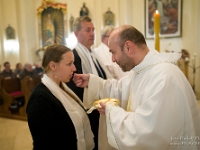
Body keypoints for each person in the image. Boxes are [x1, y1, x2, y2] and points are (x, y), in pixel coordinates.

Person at [73, 25, 200, 150]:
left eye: (113, 52)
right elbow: (118, 88)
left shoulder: (163, 76)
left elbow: (148, 131)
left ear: (128, 47)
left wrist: (111, 111)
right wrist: (93, 82)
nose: (112, 59)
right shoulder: (142, 70)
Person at [26, 44, 94, 150]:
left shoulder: (63, 88)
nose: (74, 68)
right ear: (53, 66)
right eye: (69, 64)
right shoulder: (39, 99)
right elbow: (45, 143)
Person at [66, 16, 113, 150]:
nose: (92, 33)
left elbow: (103, 77)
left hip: (102, 107)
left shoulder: (94, 54)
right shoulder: (74, 56)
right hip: (90, 112)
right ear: (76, 33)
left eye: (93, 30)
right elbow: (76, 88)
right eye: (87, 30)